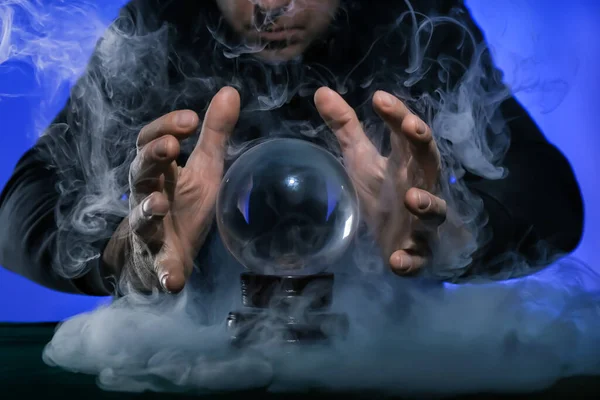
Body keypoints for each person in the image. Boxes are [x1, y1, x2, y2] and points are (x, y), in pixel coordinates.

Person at [0, 0, 584, 296]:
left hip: (384, 356)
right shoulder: (162, 21)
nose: (270, 7)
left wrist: (455, 235)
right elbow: (19, 207)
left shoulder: (413, 17)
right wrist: (120, 255)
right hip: (196, 357)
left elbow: (549, 200)